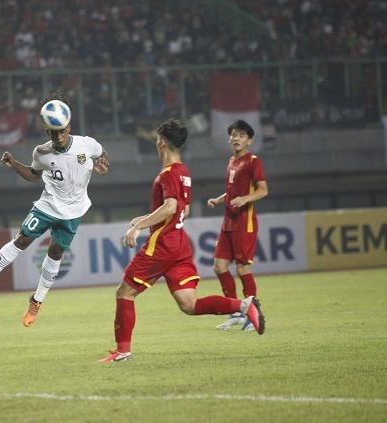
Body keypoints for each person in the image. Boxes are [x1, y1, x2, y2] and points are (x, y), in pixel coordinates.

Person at [99, 118, 264, 363]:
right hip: (179, 246)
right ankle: (244, 306)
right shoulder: (183, 171)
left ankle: (122, 351)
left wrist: (139, 228)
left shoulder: (167, 174)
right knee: (189, 304)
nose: (156, 144)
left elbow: (171, 207)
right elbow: (182, 211)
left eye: (157, 140)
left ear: (162, 143)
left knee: (124, 293)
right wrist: (143, 218)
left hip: (162, 245)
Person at [0, 91, 110, 327]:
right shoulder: (41, 152)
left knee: (55, 253)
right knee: (22, 240)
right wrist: (13, 164)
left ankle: (36, 301)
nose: (59, 136)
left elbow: (103, 156)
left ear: (69, 127)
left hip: (74, 211)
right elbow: (34, 175)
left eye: (62, 130)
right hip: (48, 206)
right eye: (54, 132)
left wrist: (104, 165)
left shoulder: (87, 145)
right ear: (47, 131)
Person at [206, 119, 269, 331]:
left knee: (243, 268)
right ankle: (234, 311)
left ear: (249, 140)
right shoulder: (231, 160)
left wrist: (245, 199)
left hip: (245, 223)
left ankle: (253, 315)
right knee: (219, 266)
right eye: (233, 134)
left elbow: (262, 190)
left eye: (241, 135)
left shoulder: (253, 161)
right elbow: (233, 192)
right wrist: (219, 199)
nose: (236, 138)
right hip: (228, 223)